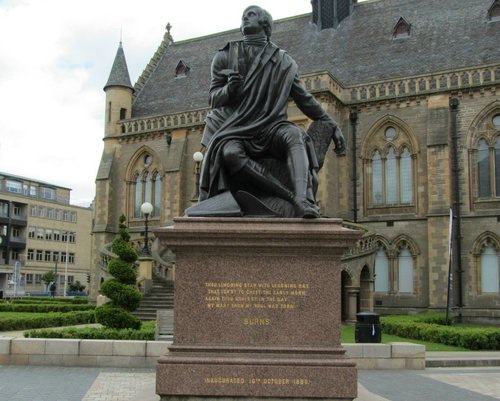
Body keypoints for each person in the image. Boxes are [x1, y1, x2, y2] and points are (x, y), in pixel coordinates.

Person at [198, 5, 345, 218]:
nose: (245, 18)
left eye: (251, 15)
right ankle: (291, 197)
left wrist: (331, 122)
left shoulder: (284, 61)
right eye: (243, 16)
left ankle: (302, 199)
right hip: (237, 129)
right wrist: (229, 89)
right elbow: (213, 99)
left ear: (265, 24)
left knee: (294, 135)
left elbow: (304, 99)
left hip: (271, 127)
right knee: (229, 153)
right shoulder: (225, 56)